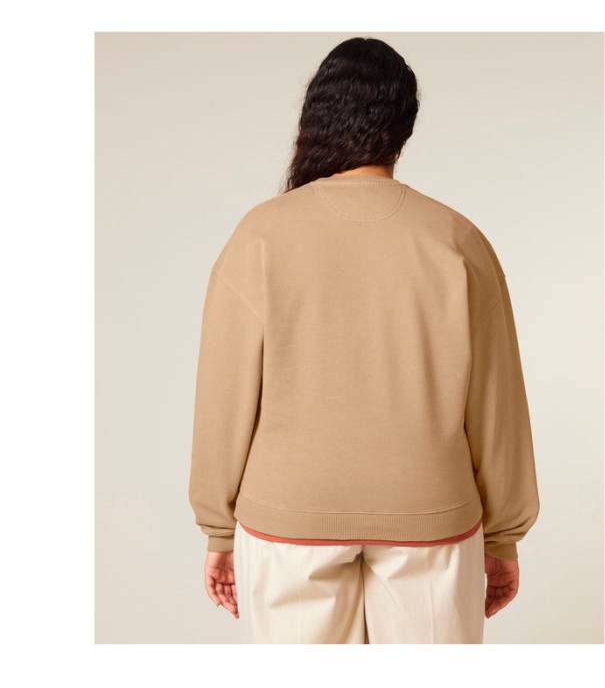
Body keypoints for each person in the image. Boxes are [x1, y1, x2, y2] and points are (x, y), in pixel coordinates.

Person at [188, 37, 539, 644]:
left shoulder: (261, 235)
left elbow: (224, 394)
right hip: (430, 514)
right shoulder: (457, 240)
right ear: (403, 126)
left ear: (317, 117)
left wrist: (219, 528)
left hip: (288, 518)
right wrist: (502, 536)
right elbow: (496, 404)